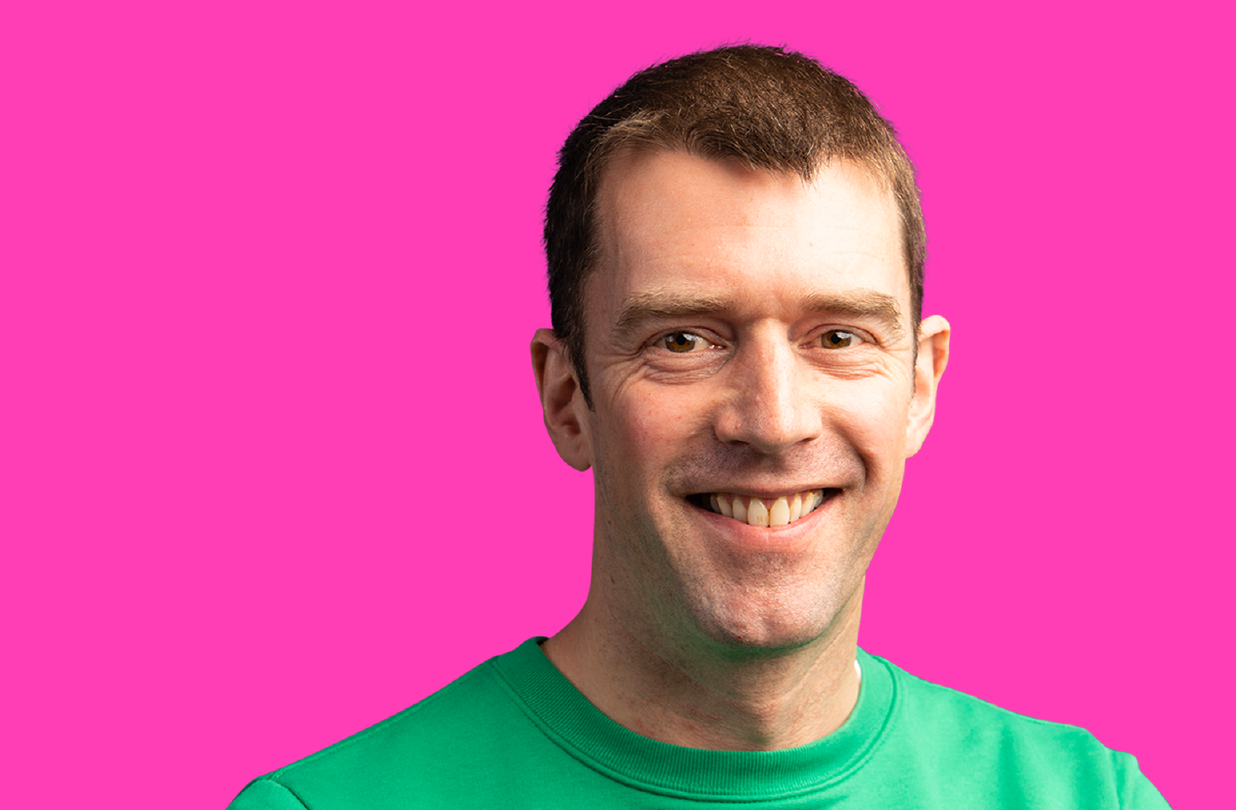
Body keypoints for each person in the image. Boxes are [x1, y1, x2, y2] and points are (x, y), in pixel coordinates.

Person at [229, 44, 1169, 809]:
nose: (775, 421)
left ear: (920, 384)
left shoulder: (1089, 799)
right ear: (567, 398)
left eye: (839, 337)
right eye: (684, 340)